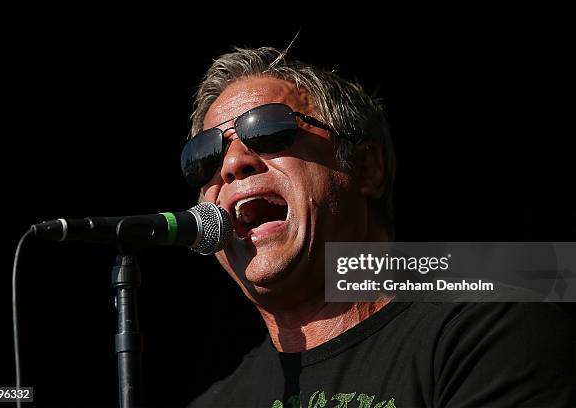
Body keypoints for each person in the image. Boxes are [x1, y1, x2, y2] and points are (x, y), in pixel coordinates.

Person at [180, 47, 574, 407]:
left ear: (366, 168)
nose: (232, 165)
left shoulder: (491, 328)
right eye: (205, 156)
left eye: (266, 128)